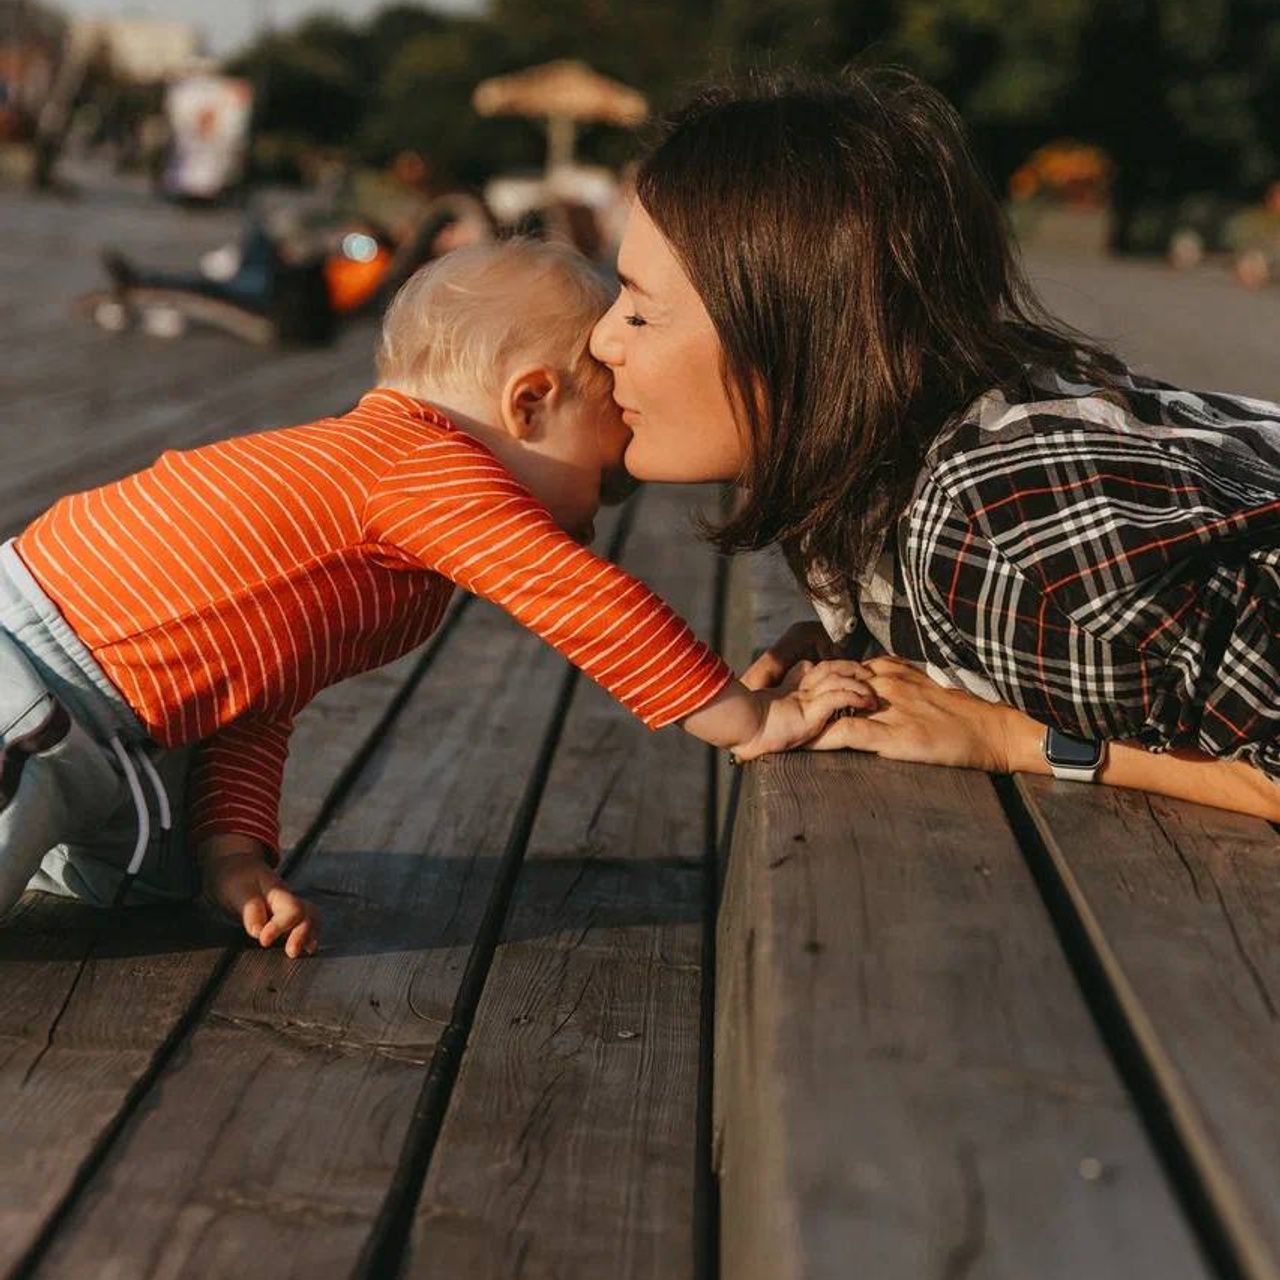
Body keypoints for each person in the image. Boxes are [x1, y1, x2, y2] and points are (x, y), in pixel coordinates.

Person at [0, 239, 873, 958]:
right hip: (33, 676)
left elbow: (258, 700)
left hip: (112, 726)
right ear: (529, 402)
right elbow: (575, 596)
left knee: (153, 885)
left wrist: (233, 850)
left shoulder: (374, 510)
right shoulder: (421, 464)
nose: (595, 525)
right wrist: (745, 718)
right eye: (607, 480)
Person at [588, 70, 1280, 821]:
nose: (600, 340)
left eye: (641, 314)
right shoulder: (881, 476)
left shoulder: (994, 520)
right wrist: (895, 650)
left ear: (798, 335)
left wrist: (1018, 738)